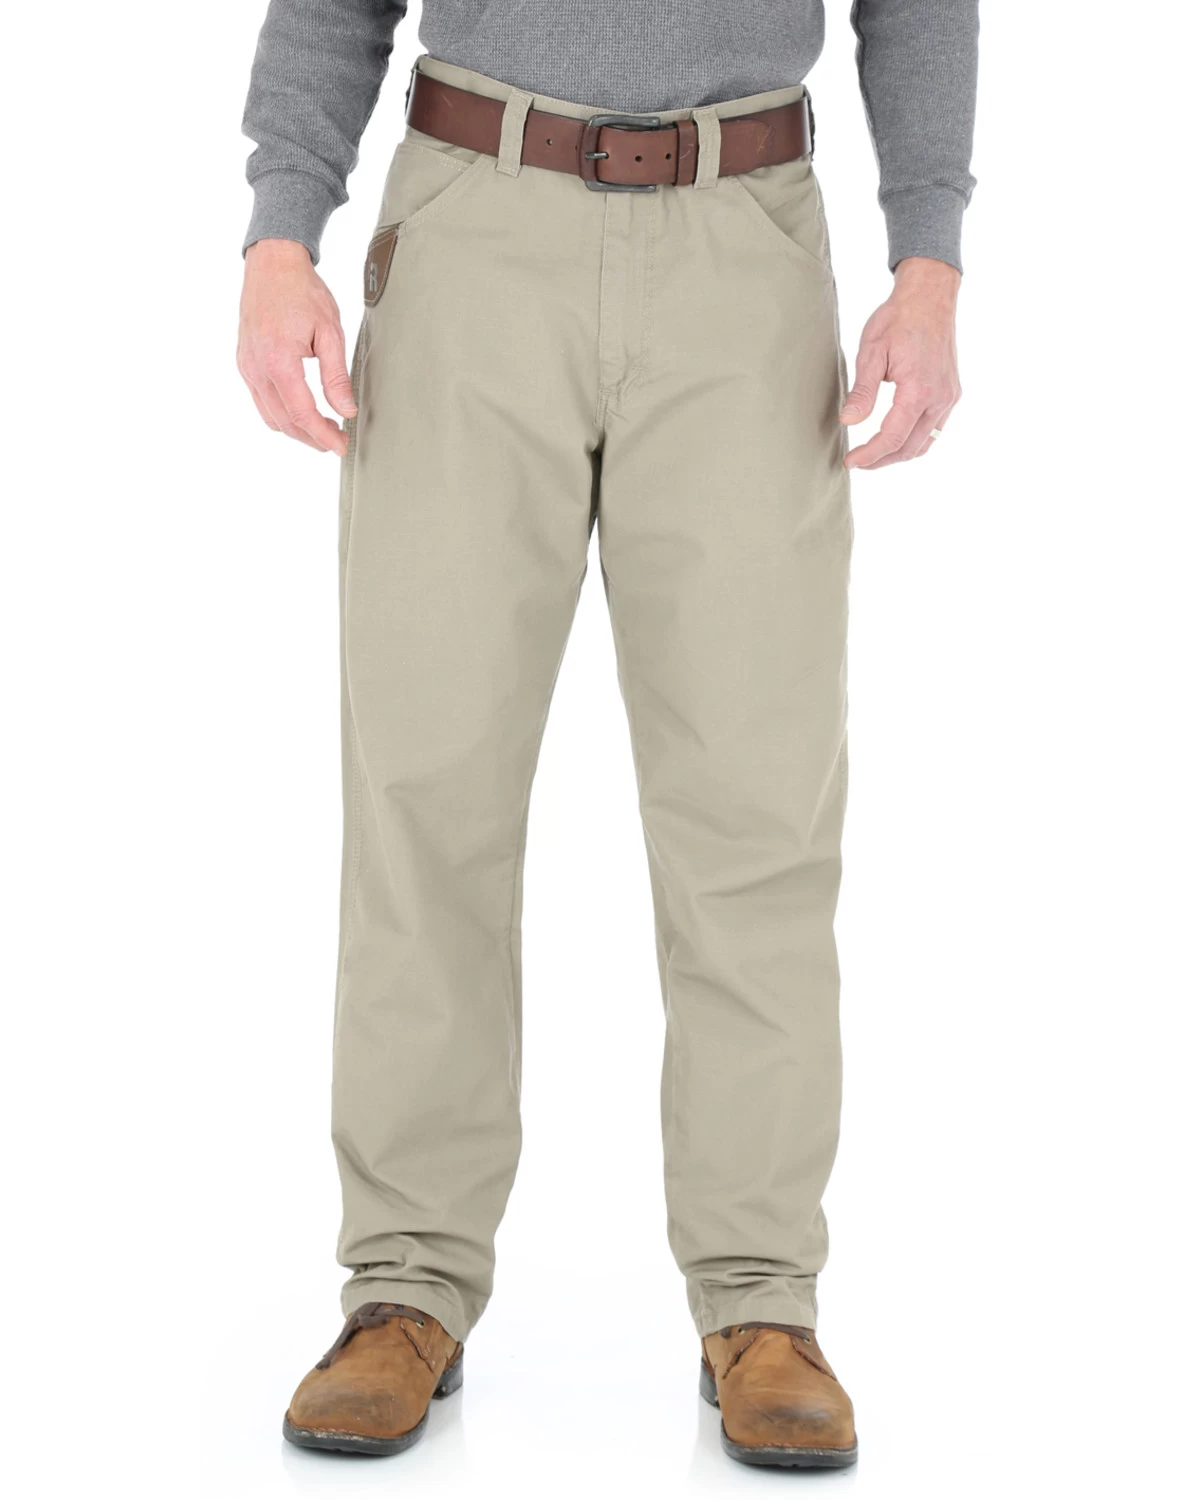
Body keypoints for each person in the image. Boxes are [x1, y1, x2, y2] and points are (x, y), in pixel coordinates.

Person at [237, 0, 977, 1469]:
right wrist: (279, 231)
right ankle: (404, 1281)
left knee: (757, 810)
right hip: (472, 230)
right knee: (425, 790)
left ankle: (762, 1301)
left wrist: (929, 256)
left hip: (743, 243)